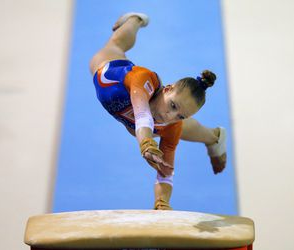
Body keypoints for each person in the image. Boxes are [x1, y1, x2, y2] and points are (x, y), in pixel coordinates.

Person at [89, 13, 227, 210]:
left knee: (176, 128)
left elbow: (165, 172)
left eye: (179, 114)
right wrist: (146, 142)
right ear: (168, 88)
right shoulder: (144, 78)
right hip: (110, 68)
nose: (170, 116)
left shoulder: (171, 124)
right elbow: (142, 114)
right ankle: (135, 19)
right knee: (116, 44)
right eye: (172, 105)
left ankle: (215, 137)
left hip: (147, 123)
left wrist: (162, 203)